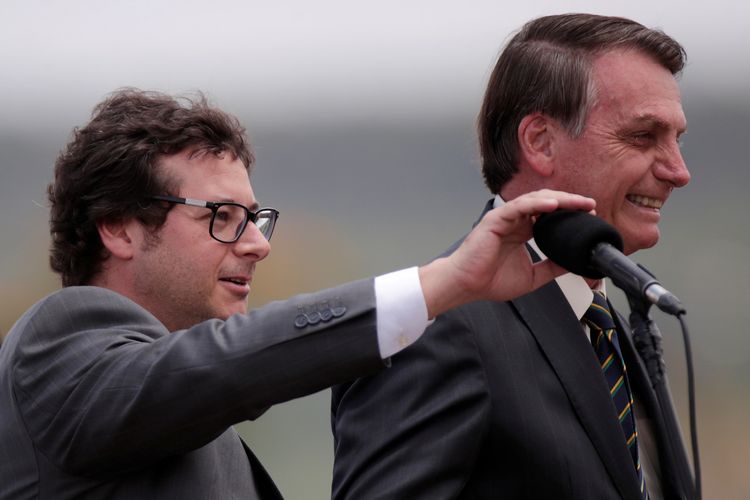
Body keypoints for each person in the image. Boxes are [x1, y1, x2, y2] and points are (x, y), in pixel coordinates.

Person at [0, 89, 594, 499]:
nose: (257, 244)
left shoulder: (185, 412)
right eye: (224, 216)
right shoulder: (62, 338)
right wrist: (444, 282)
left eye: (256, 217)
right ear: (118, 228)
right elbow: (223, 365)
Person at [331, 13, 696, 500]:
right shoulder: (436, 327)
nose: (678, 171)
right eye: (642, 136)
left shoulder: (615, 320)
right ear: (540, 141)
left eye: (678, 139)